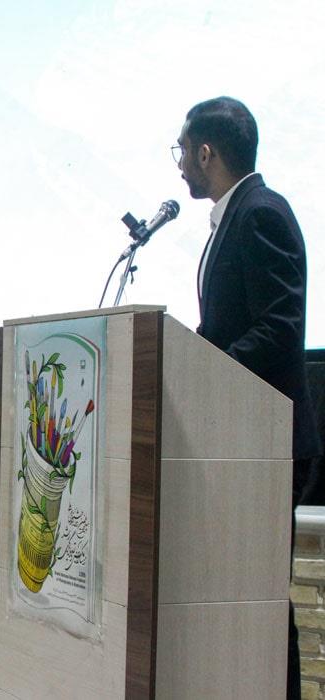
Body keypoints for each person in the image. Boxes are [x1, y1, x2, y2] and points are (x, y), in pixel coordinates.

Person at [176, 96, 322, 699]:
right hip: (241, 440)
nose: (179, 163)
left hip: (268, 442)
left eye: (182, 150)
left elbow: (280, 326)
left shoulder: (261, 213)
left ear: (206, 152)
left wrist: (209, 367)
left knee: (260, 597)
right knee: (239, 593)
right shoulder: (235, 216)